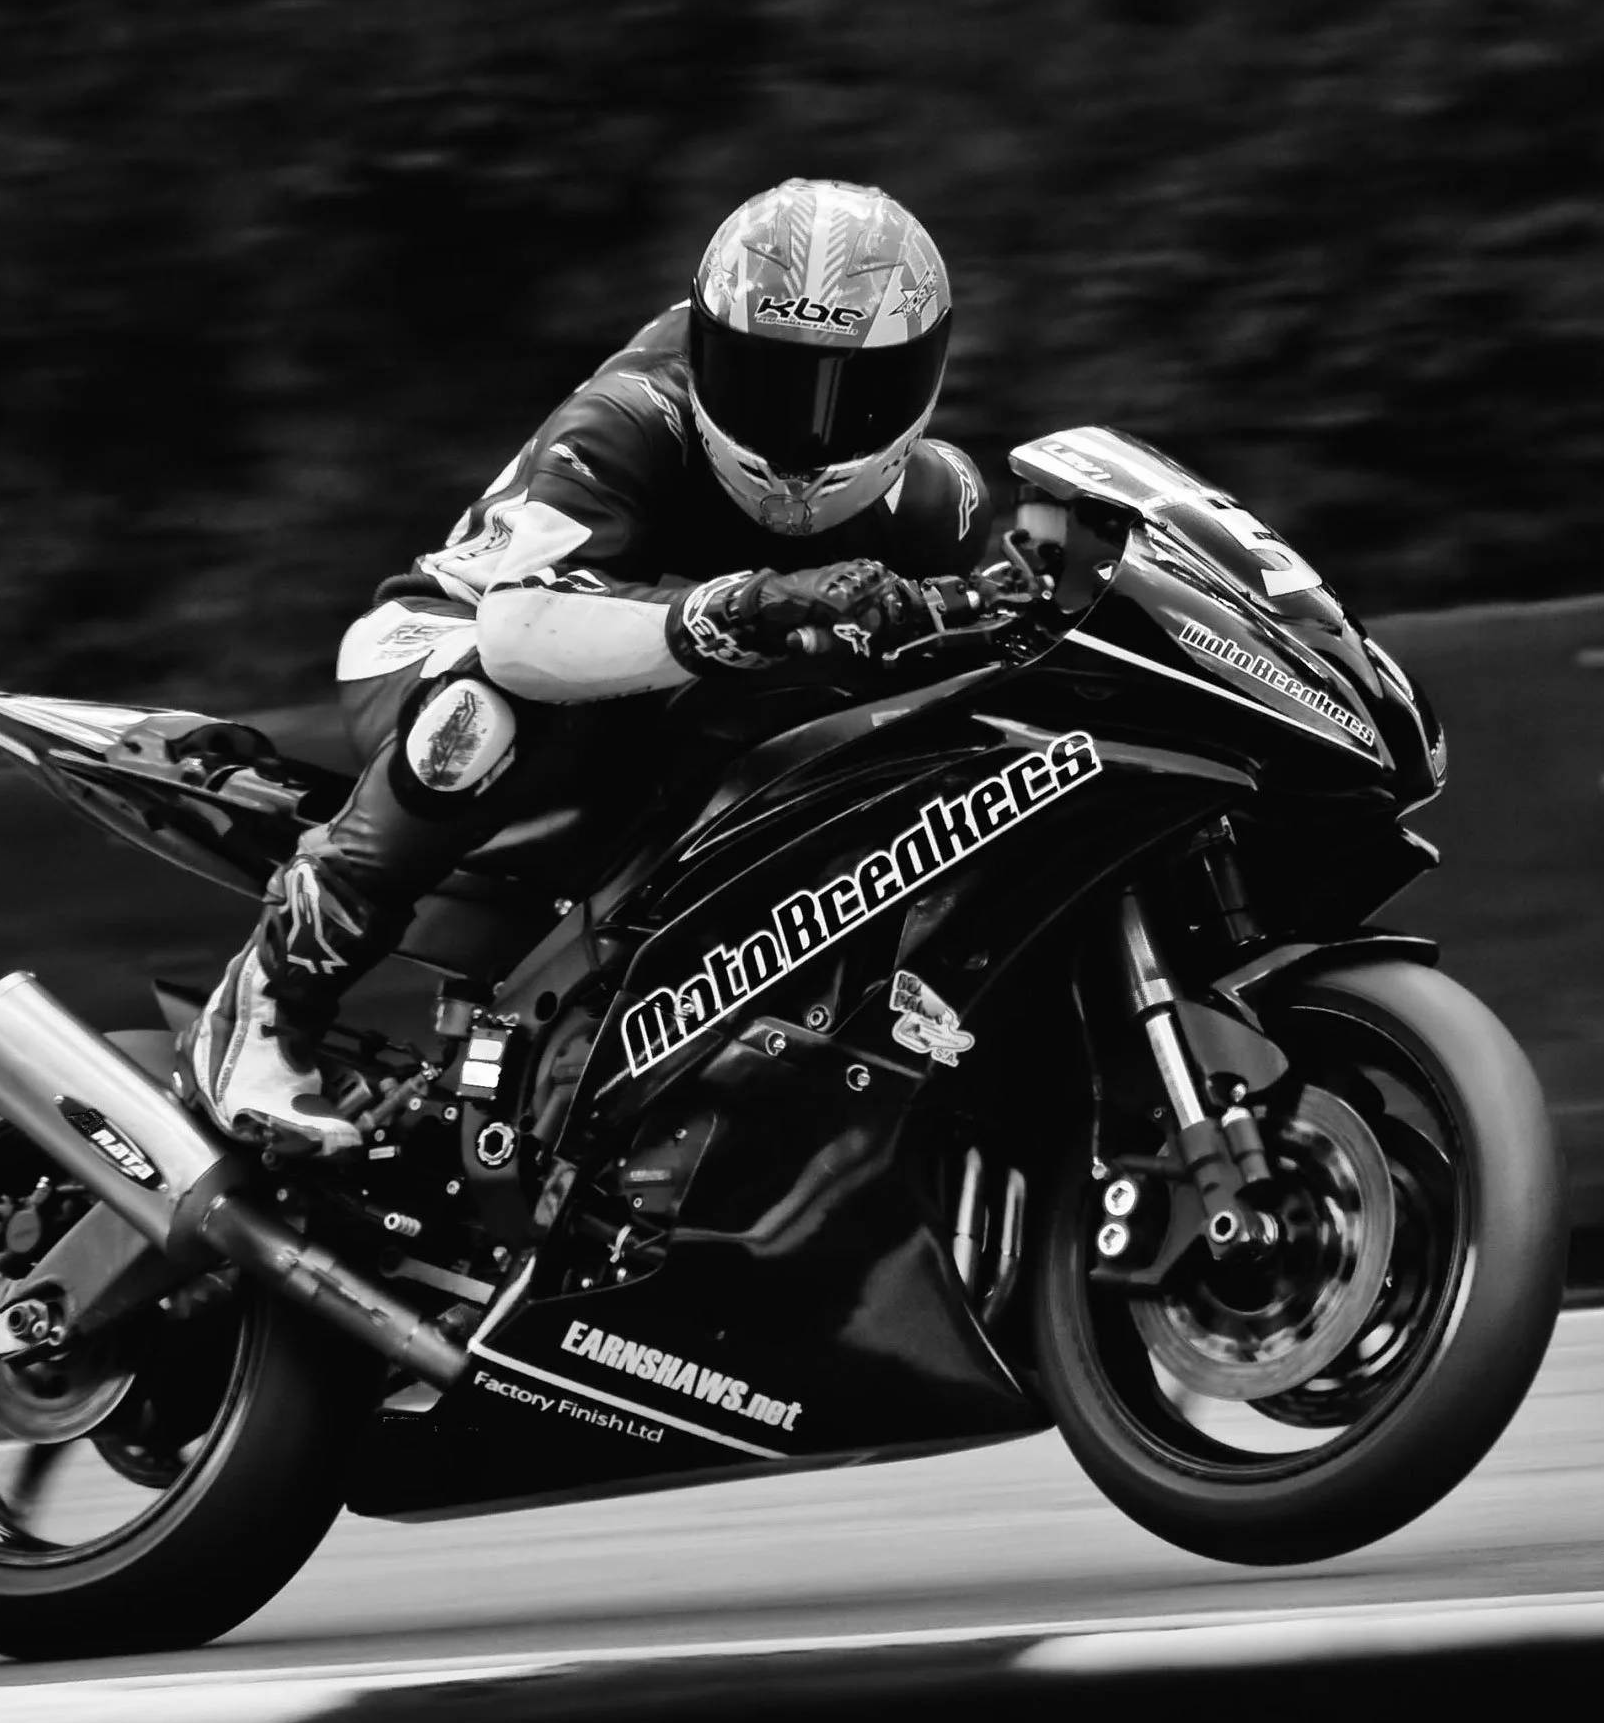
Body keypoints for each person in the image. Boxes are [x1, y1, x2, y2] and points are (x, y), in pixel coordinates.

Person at [177, 178, 993, 1155]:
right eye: (768, 386)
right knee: (481, 712)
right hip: (441, 642)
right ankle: (264, 1005)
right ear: (704, 346)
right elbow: (522, 632)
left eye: (850, 396)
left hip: (652, 714)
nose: (803, 437)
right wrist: (732, 608)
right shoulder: (628, 416)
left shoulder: (937, 504)